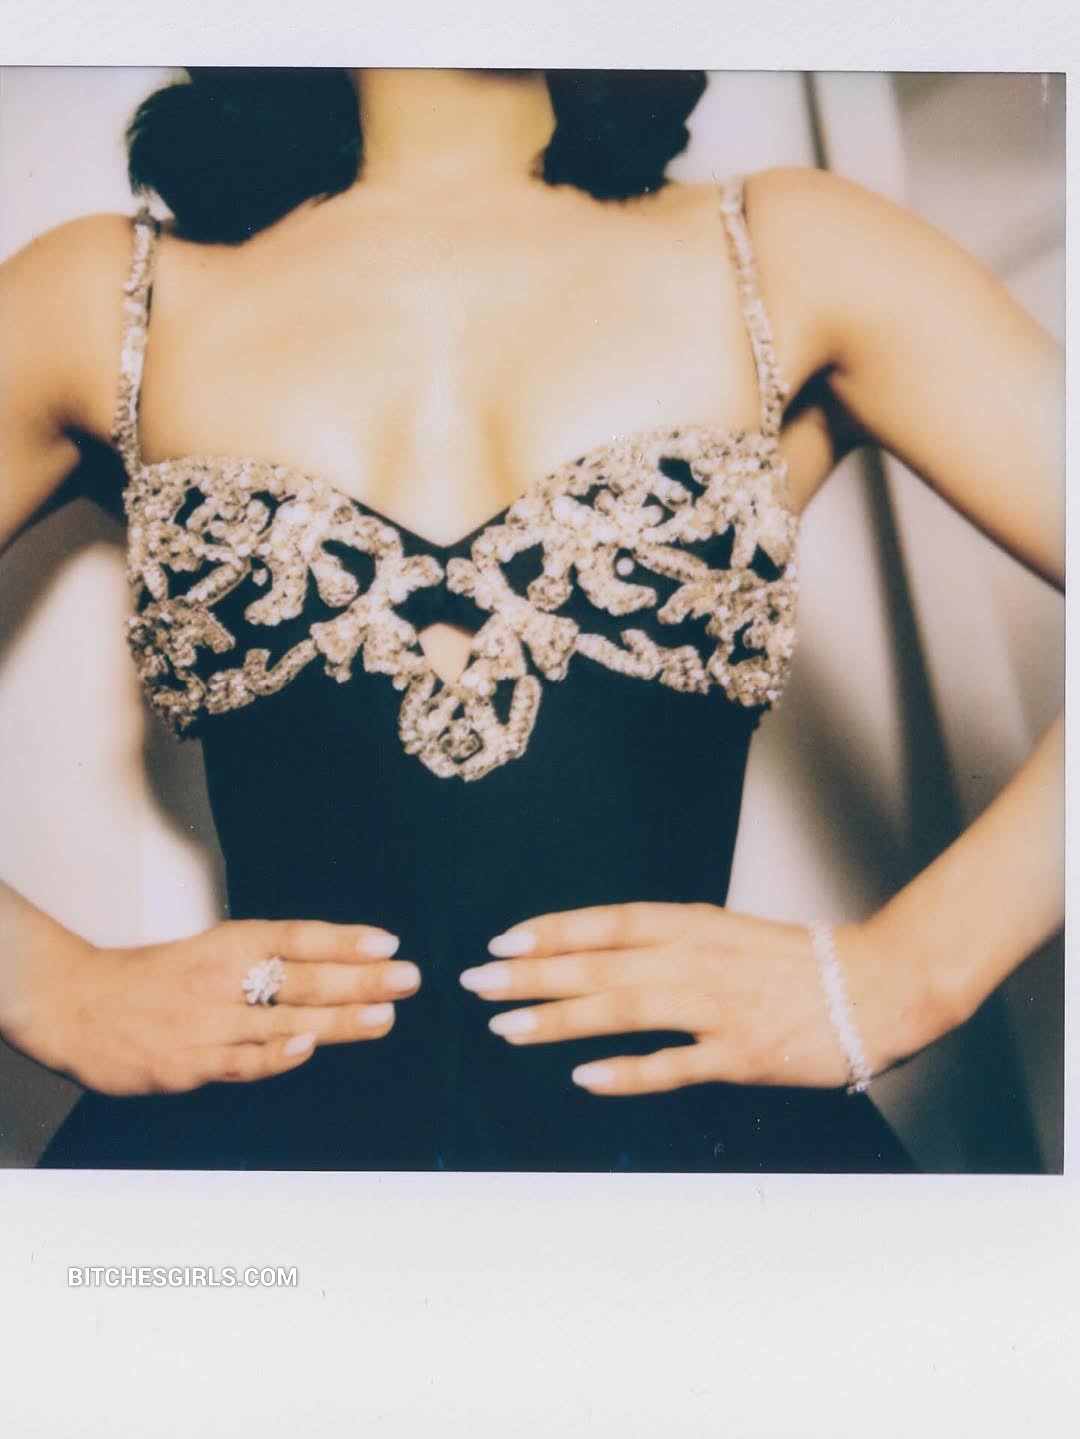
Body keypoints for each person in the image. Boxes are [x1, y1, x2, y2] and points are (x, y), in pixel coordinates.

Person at [0, 68, 1064, 1171]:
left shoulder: (787, 249)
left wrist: (905, 975)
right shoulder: (108, 293)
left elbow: (902, 974)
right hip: (251, 1177)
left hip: (694, 1172)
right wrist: (57, 989)